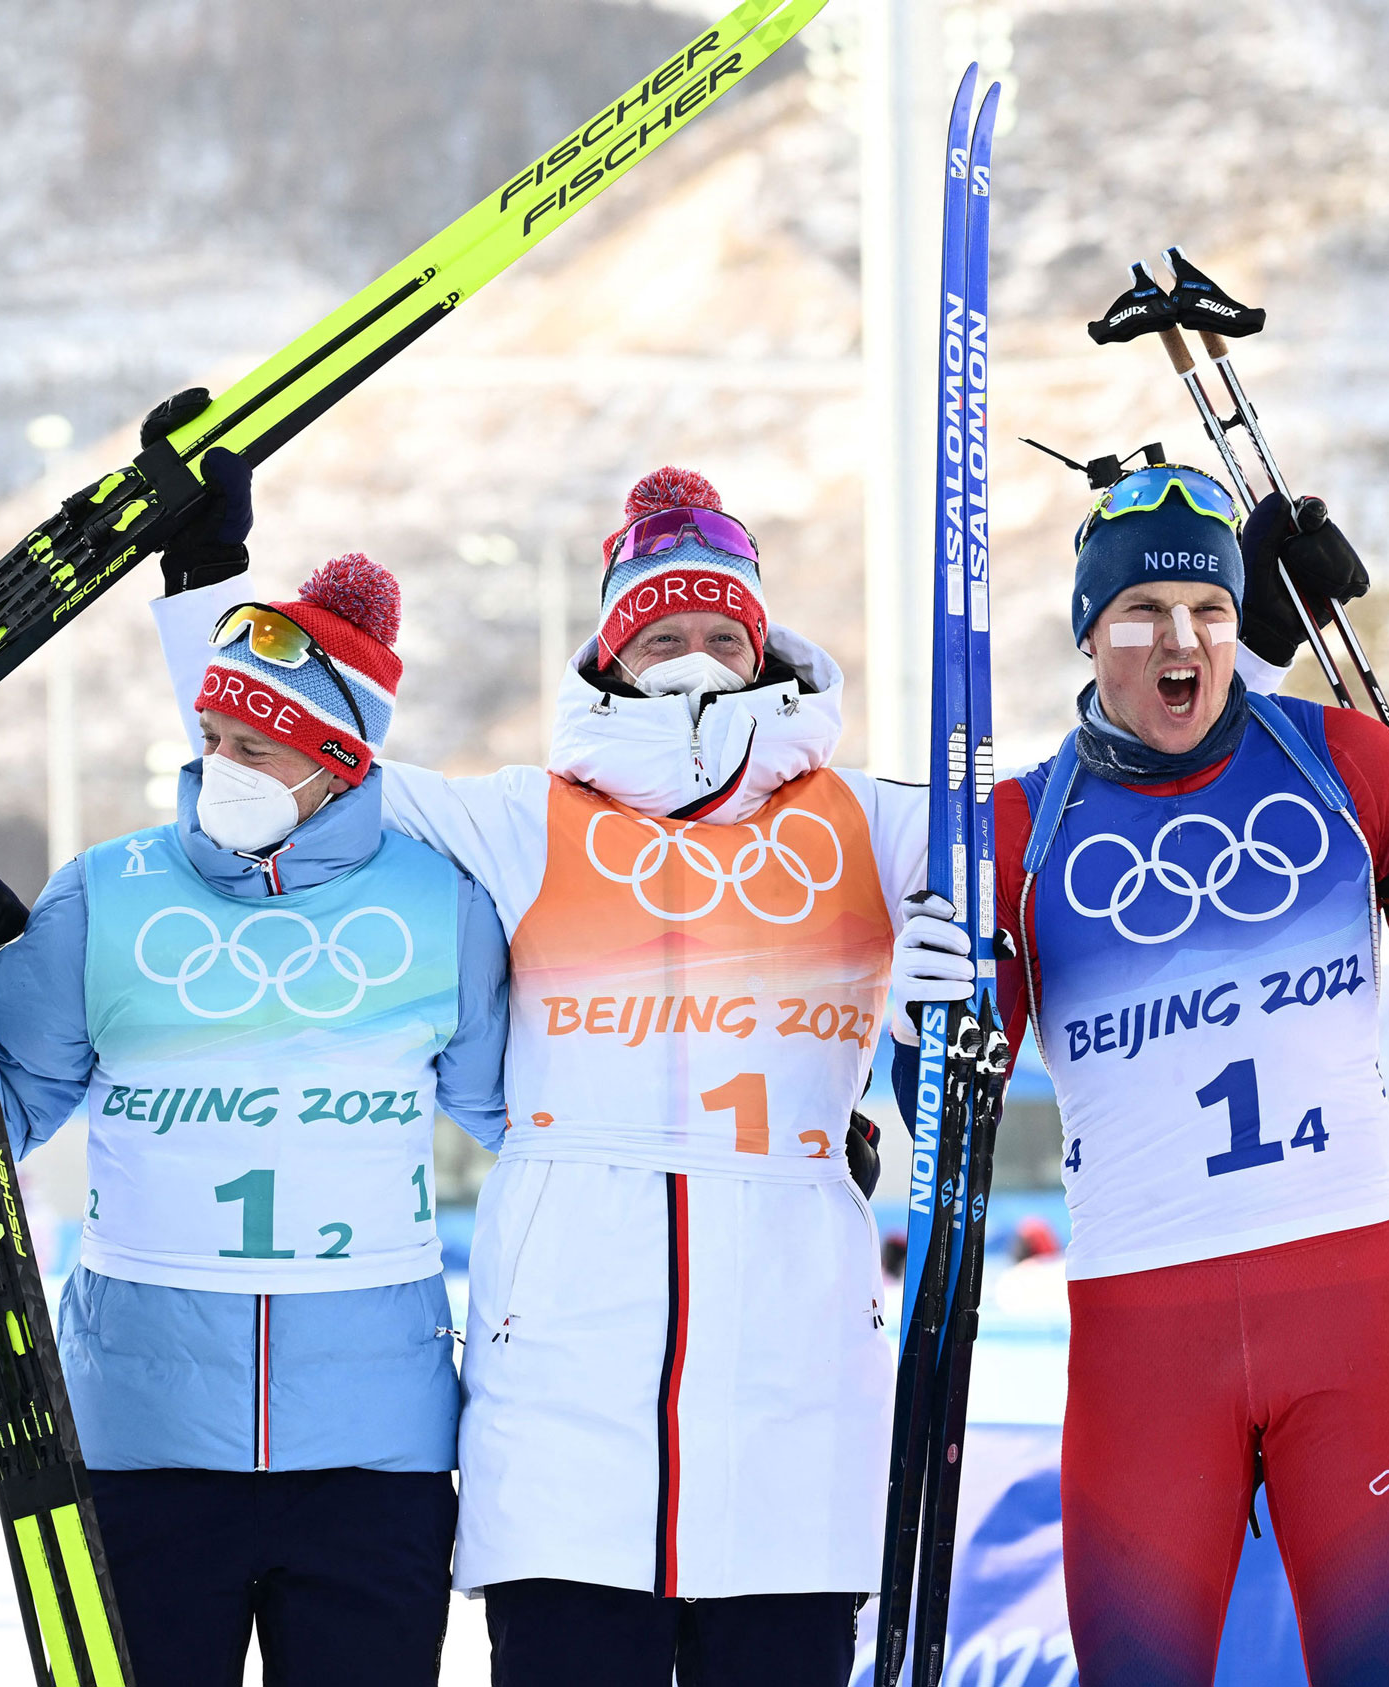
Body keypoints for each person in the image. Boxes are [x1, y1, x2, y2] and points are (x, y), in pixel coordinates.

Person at [153, 459, 922, 1687]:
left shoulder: (872, 823)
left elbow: (1064, 837)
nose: (691, 659)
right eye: (659, 632)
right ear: (609, 655)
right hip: (570, 1374)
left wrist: (1242, 663)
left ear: (764, 648)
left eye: (720, 634)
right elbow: (305, 769)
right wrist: (205, 600)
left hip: (790, 1370)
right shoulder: (528, 819)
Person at [895, 467, 1389, 1684]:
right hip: (1141, 1340)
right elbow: (940, 1118)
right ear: (1086, 629)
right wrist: (918, 1013)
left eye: (1209, 611)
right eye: (1141, 613)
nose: (1181, 642)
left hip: (1352, 1316)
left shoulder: (1348, 765)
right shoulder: (1018, 832)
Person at [0, 548, 510, 1687]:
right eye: (214, 740)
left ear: (335, 762)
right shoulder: (109, 891)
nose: (222, 766)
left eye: (256, 747)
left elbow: (530, 1119)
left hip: (373, 1452)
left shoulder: (439, 906)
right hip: (136, 1440)